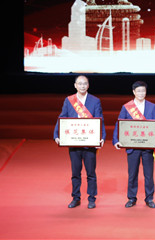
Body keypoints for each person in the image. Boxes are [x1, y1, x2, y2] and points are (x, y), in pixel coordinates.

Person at [54, 75, 105, 209]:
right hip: (74, 142)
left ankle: (91, 198)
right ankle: (76, 198)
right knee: (75, 172)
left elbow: (100, 119)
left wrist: (102, 137)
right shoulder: (69, 100)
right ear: (75, 85)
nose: (82, 86)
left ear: (88, 85)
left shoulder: (95, 101)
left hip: (90, 142)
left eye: (85, 83)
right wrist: (57, 134)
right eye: (80, 84)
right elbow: (62, 117)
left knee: (91, 172)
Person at [113, 81, 155, 208]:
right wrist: (116, 139)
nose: (141, 93)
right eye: (138, 91)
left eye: (143, 91)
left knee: (149, 175)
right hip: (132, 146)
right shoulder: (127, 107)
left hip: (147, 146)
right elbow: (120, 123)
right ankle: (132, 198)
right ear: (134, 92)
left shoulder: (151, 106)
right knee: (132, 174)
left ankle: (149, 198)